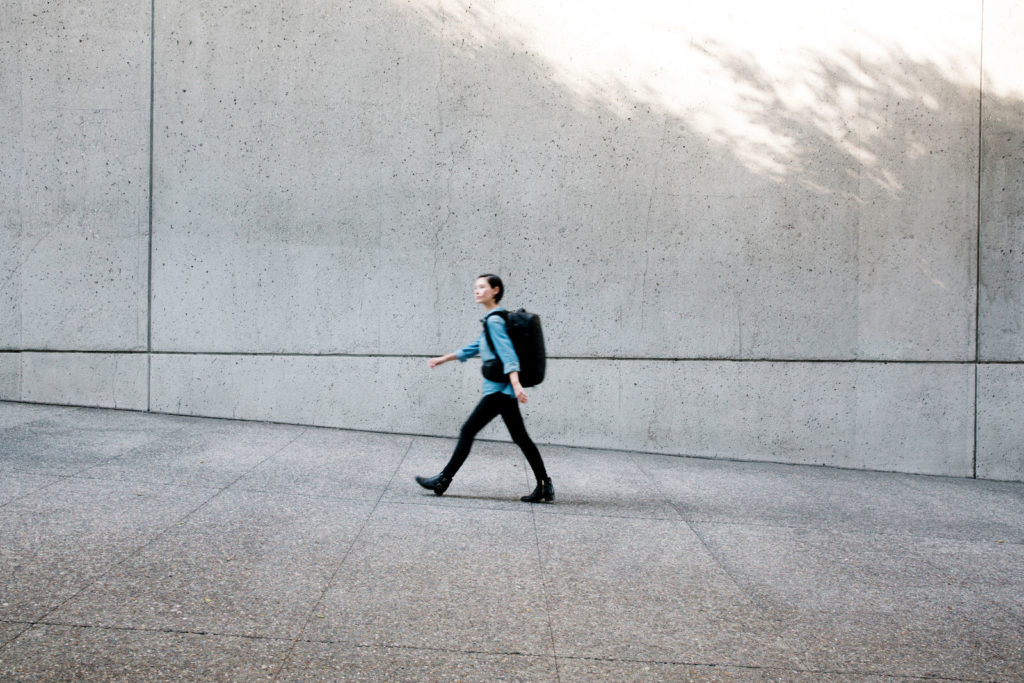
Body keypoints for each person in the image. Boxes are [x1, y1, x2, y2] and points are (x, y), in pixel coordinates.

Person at [416, 274, 555, 503]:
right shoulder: (492, 319)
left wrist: (516, 383)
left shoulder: (494, 321)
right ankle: (544, 485)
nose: (477, 291)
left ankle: (443, 480)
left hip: (499, 391)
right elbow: (473, 348)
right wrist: (443, 359)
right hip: (502, 391)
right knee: (521, 438)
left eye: (482, 287)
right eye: (476, 287)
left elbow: (508, 353)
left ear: (495, 290)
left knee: (468, 431)